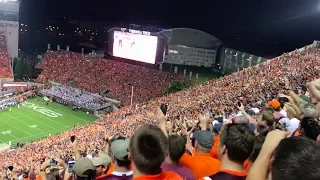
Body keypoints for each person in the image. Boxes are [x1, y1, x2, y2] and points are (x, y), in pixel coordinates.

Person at [179, 114, 221, 179]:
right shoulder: (220, 164)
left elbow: (169, 150)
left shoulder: (189, 162)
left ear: (196, 145)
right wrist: (204, 126)